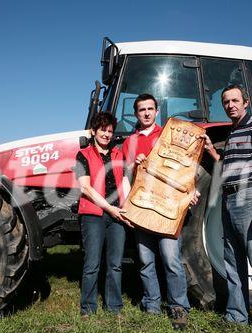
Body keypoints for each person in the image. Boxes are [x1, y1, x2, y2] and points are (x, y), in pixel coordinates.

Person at [203, 85, 252, 333]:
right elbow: (228, 166)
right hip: (229, 198)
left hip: (248, 198)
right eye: (226, 102)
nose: (230, 105)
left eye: (235, 100)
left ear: (245, 102)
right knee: (233, 262)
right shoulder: (234, 130)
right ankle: (237, 316)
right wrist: (211, 151)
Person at [122, 93, 190, 330]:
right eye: (142, 110)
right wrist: (126, 208)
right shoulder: (129, 143)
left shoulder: (168, 135)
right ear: (136, 113)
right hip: (141, 207)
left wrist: (190, 192)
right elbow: (125, 178)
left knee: (171, 259)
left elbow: (185, 168)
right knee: (145, 260)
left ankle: (178, 307)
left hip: (167, 208)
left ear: (157, 110)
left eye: (150, 108)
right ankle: (151, 305)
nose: (147, 113)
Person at [75, 112, 132, 317]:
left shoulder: (118, 154)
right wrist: (111, 209)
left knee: (115, 264)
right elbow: (86, 189)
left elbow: (124, 181)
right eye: (103, 130)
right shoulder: (83, 155)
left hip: (117, 213)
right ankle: (88, 308)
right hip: (93, 214)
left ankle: (114, 306)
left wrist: (124, 207)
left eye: (110, 131)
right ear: (93, 131)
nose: (107, 134)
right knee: (92, 263)